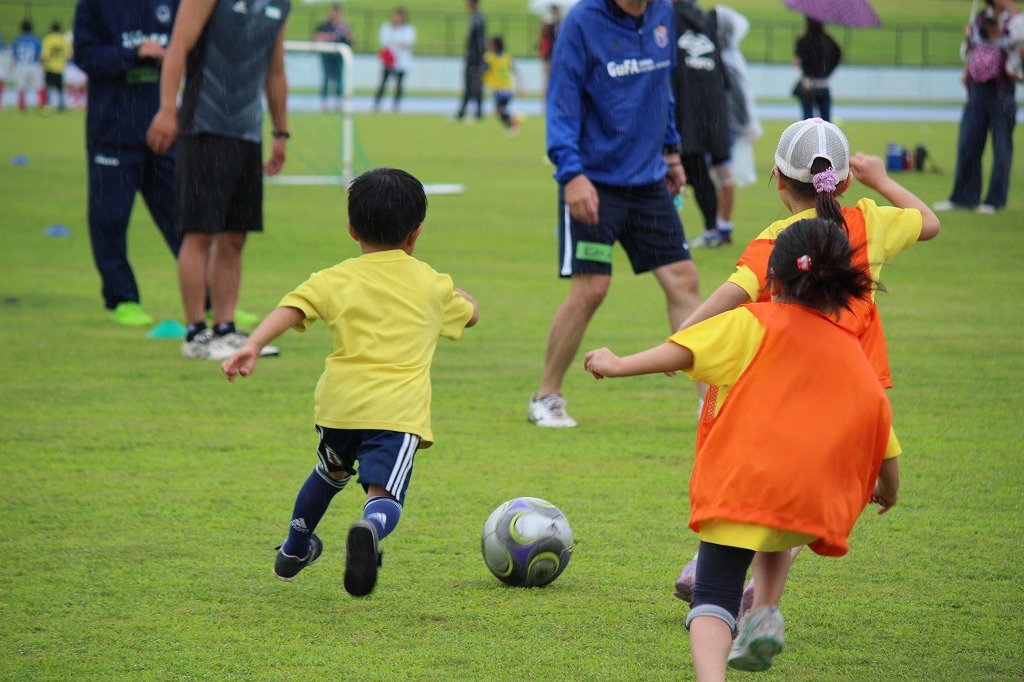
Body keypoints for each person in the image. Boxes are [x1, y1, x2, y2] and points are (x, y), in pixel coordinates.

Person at [583, 217, 899, 678]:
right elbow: (883, 431)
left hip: (743, 484)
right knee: (778, 528)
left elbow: (683, 352)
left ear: (772, 279)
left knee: (713, 595)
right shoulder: (853, 353)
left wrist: (617, 364)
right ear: (842, 286)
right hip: (805, 497)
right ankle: (766, 610)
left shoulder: (752, 323)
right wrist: (889, 488)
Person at [670, 117, 939, 625]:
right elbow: (929, 222)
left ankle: (722, 563)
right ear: (843, 181)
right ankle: (757, 591)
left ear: (777, 177)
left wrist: (683, 333)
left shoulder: (778, 237)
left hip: (780, 384)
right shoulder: (869, 221)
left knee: (757, 475)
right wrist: (882, 180)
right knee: (810, 493)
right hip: (853, 386)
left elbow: (734, 294)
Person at [221, 167, 479, 597]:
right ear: (415, 235)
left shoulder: (333, 278)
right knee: (383, 494)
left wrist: (252, 345)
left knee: (329, 472)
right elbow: (469, 315)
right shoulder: (434, 284)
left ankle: (294, 548)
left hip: (339, 406)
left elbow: (293, 306)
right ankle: (370, 530)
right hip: (396, 412)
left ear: (351, 229)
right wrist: (467, 302)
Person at [528, 0, 702, 428]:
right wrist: (571, 175)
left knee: (684, 281)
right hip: (593, 182)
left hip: (648, 181)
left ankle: (710, 403)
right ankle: (546, 397)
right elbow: (562, 101)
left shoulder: (663, 13)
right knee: (592, 288)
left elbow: (663, 88)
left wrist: (672, 151)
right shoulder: (583, 22)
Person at [146, 0, 290, 360]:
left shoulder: (281, 4)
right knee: (200, 232)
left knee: (236, 235)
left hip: (247, 134)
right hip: (203, 126)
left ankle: (225, 330)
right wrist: (167, 109)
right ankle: (195, 333)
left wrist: (281, 132)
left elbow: (275, 70)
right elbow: (177, 47)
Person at [73, 0, 182, 327]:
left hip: (162, 132)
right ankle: (122, 299)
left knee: (186, 219)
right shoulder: (94, 5)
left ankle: (210, 301)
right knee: (109, 219)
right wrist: (133, 55)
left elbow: (190, 45)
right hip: (112, 131)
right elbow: (85, 55)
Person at [934, 0, 1021, 213]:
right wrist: (969, 38)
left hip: (1001, 90)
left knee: (1001, 148)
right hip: (977, 89)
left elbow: (1018, 40)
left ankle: (994, 200)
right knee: (968, 143)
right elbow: (967, 53)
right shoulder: (981, 17)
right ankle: (964, 197)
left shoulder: (1015, 20)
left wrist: (1012, 10)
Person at [672, 0, 732, 247]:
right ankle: (712, 229)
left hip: (682, 107)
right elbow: (723, 74)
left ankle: (672, 233)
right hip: (710, 108)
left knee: (676, 169)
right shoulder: (706, 20)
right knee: (696, 171)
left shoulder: (667, 18)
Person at [711, 5, 762, 240]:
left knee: (722, 175)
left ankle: (721, 225)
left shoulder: (726, 58)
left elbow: (740, 96)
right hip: (722, 125)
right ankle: (719, 224)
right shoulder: (729, 56)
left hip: (725, 127)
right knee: (719, 176)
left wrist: (745, 125)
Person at [793, 17, 841, 122]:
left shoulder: (803, 40)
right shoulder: (828, 41)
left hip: (808, 84)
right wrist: (827, 70)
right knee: (826, 121)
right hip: (823, 84)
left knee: (807, 121)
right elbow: (838, 56)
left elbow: (796, 62)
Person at [312, 3, 353, 114]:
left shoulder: (344, 26)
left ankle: (338, 102)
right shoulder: (325, 25)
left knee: (340, 80)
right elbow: (316, 36)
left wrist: (346, 31)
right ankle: (324, 102)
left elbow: (351, 40)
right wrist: (330, 37)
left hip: (339, 56)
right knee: (326, 79)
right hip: (326, 55)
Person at [373, 7, 415, 113]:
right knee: (383, 83)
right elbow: (384, 42)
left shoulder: (408, 29)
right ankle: (377, 104)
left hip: (402, 62)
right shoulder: (387, 27)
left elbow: (407, 42)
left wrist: (396, 43)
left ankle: (396, 105)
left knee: (399, 86)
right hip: (389, 61)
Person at [453, 0, 486, 122]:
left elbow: (480, 41)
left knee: (475, 85)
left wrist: (482, 57)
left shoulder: (478, 19)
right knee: (469, 85)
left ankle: (477, 113)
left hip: (475, 58)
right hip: (471, 57)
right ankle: (463, 112)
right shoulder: (474, 18)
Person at [481, 35, 520, 135]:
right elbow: (515, 71)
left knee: (499, 110)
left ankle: (514, 123)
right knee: (500, 109)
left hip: (499, 88)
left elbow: (484, 69)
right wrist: (520, 86)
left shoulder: (489, 57)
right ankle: (513, 124)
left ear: (494, 45)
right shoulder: (507, 57)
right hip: (508, 87)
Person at [11, 20, 44, 111]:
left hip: (21, 65)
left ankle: (22, 107)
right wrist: (42, 65)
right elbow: (40, 55)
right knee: (39, 86)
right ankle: (41, 106)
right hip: (33, 65)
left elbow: (14, 55)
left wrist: (12, 66)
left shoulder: (18, 40)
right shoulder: (36, 40)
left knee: (21, 87)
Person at [40, 21, 72, 112]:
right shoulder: (63, 40)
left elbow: (44, 54)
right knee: (60, 88)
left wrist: (43, 63)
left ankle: (47, 104)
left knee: (48, 86)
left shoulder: (48, 39)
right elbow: (69, 55)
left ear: (51, 29)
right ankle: (61, 105)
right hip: (60, 68)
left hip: (50, 67)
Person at [537, 4, 561, 104]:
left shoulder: (553, 24)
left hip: (552, 55)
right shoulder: (551, 24)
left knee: (549, 79)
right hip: (550, 56)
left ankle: (548, 101)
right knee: (548, 79)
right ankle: (546, 101)